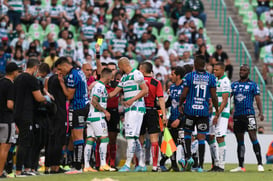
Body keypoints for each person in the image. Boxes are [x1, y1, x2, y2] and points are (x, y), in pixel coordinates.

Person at [179, 55, 219, 172]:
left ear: (195, 64)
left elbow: (184, 94)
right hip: (203, 112)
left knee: (187, 134)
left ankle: (188, 158)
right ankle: (200, 166)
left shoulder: (189, 76)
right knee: (201, 137)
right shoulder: (211, 78)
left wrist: (181, 104)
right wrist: (216, 110)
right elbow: (214, 96)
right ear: (205, 65)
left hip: (190, 110)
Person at [108, 57, 148, 172]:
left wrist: (132, 100)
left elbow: (145, 90)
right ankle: (141, 164)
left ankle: (127, 164)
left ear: (122, 65)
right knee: (134, 137)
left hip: (136, 108)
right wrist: (100, 94)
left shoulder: (137, 74)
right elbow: (114, 92)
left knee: (130, 136)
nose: (119, 69)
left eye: (119, 67)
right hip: (129, 110)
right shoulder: (124, 77)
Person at [14, 59, 53, 177]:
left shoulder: (18, 78)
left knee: (26, 141)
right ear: (35, 67)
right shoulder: (31, 79)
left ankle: (26, 169)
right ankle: (19, 171)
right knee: (24, 142)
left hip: (18, 112)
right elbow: (38, 97)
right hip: (26, 113)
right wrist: (47, 98)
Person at [55, 56, 89, 174]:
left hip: (78, 107)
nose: (59, 72)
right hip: (84, 105)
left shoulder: (71, 76)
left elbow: (69, 96)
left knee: (77, 136)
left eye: (60, 69)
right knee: (75, 136)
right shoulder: (79, 71)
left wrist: (61, 83)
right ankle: (76, 164)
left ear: (65, 65)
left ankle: (78, 167)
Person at [230, 64, 264, 172]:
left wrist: (261, 112)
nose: (242, 71)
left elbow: (258, 99)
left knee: (253, 137)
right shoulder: (234, 85)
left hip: (249, 114)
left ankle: (260, 163)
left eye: (244, 70)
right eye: (241, 70)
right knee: (240, 140)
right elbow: (227, 97)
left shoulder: (253, 85)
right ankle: (241, 165)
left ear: (248, 72)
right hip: (237, 116)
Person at [139, 62, 167, 172]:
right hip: (152, 111)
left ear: (142, 69)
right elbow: (161, 98)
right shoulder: (156, 82)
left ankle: (140, 165)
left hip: (140, 111)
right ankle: (155, 166)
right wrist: (164, 114)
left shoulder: (138, 81)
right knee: (154, 139)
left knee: (140, 139)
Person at [84, 68, 114, 172]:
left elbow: (105, 97)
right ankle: (103, 164)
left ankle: (87, 166)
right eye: (111, 76)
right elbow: (94, 101)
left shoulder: (99, 86)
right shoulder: (99, 86)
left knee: (90, 139)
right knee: (104, 138)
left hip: (91, 116)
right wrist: (105, 111)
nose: (112, 78)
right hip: (98, 116)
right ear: (108, 76)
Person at [160, 66, 186, 172]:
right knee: (172, 143)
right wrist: (159, 107)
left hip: (182, 120)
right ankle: (174, 165)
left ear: (178, 76)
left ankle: (193, 164)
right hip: (172, 118)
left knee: (184, 143)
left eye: (172, 74)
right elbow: (169, 103)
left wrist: (180, 119)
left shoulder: (185, 87)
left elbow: (186, 104)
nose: (171, 76)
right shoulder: (172, 88)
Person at [208, 62, 231, 172]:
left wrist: (217, 114)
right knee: (211, 137)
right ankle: (215, 163)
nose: (214, 72)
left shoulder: (225, 82)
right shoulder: (217, 80)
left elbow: (225, 101)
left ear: (222, 70)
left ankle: (221, 165)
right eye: (214, 70)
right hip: (215, 112)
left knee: (220, 137)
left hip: (222, 114)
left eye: (216, 70)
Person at [0, 62, 19, 178]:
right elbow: (10, 104)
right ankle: (0, 172)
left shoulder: (0, 82)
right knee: (5, 147)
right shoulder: (10, 84)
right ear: (14, 72)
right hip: (6, 119)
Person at [105, 62, 120, 170]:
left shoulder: (120, 84)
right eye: (109, 69)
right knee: (103, 139)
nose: (112, 71)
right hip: (104, 111)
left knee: (113, 139)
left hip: (114, 113)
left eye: (113, 69)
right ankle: (103, 162)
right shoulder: (101, 84)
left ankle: (112, 162)